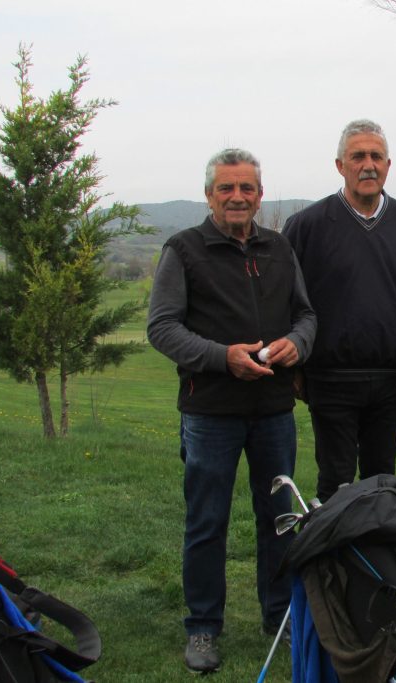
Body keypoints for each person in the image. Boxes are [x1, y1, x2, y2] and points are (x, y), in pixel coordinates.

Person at [147, 148, 317, 672]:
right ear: (209, 195)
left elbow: (306, 315)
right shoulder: (184, 250)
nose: (237, 197)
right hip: (211, 412)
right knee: (207, 521)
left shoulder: (279, 248)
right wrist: (224, 358)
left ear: (260, 195)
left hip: (273, 410)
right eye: (227, 188)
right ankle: (202, 627)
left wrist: (296, 344)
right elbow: (162, 327)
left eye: (247, 188)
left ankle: (279, 616)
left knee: (279, 519)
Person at [282, 119, 396, 503]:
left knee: (382, 480)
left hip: (389, 378)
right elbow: (286, 300)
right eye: (358, 157)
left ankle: (376, 544)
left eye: (376, 157)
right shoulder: (307, 226)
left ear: (388, 165)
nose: (368, 165)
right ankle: (332, 543)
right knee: (335, 481)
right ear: (340, 165)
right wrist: (294, 365)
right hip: (329, 377)